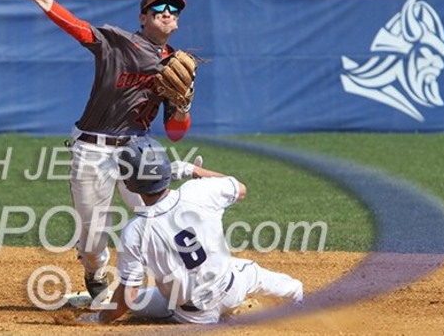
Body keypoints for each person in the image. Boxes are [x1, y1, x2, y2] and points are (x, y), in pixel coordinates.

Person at [12, 0, 195, 300]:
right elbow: (79, 29)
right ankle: (95, 273)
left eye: (174, 9)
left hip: (139, 152)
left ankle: (183, 288)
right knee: (93, 239)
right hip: (94, 150)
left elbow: (176, 132)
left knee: (162, 220)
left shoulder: (177, 65)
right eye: (159, 8)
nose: (167, 13)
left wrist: (182, 105)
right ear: (143, 17)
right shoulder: (118, 43)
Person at [79, 136, 304, 325]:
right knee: (265, 278)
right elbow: (240, 188)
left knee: (138, 302)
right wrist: (192, 170)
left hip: (195, 316)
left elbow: (128, 297)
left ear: (129, 185)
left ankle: (226, 320)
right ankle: (299, 302)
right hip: (233, 287)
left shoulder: (135, 231)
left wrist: (101, 319)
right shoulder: (198, 192)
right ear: (167, 169)